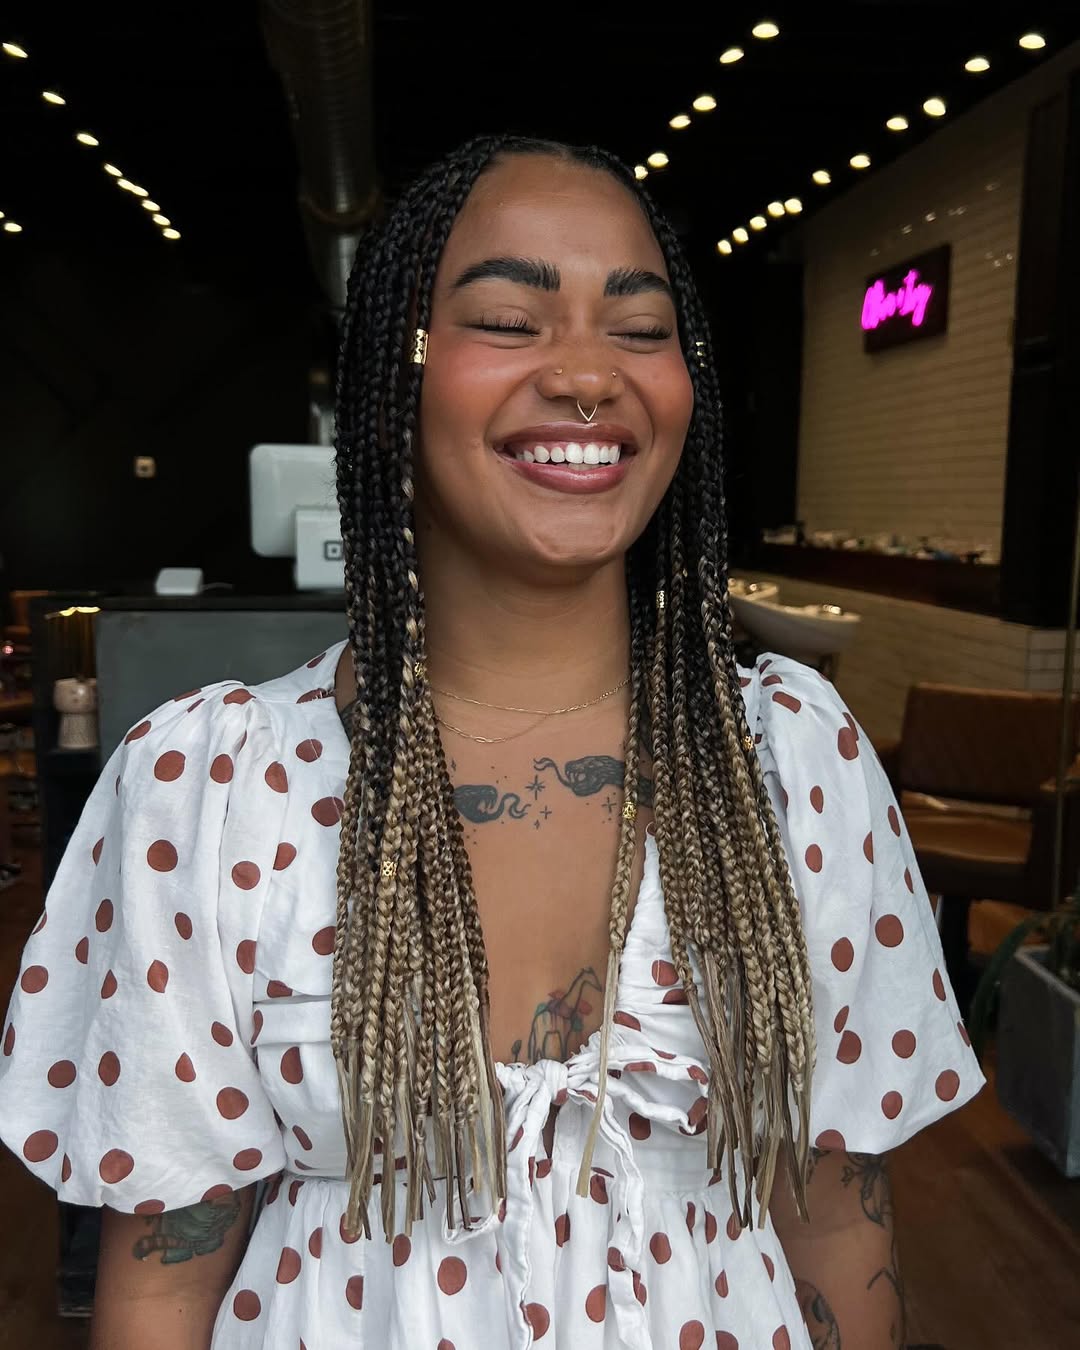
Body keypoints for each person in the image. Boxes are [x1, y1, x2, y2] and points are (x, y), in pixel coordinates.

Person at [0, 134, 984, 1349]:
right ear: (388, 384)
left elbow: (837, 1214)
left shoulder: (792, 761)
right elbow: (159, 1282)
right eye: (511, 320)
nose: (586, 375)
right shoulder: (209, 787)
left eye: (638, 328)